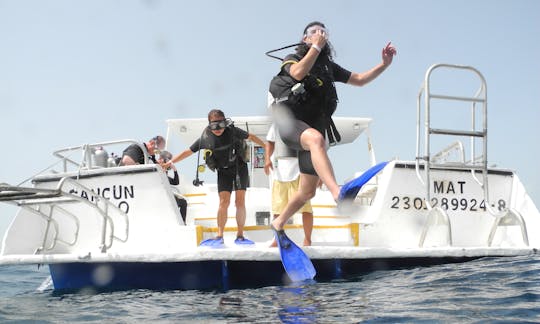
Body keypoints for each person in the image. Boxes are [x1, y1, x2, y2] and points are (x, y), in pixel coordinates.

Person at [269, 21, 396, 233]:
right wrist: (315, 48)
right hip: (292, 125)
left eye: (323, 32)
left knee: (307, 192)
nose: (319, 34)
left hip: (311, 130)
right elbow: (298, 73)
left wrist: (384, 64)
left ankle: (278, 222)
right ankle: (338, 194)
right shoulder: (293, 58)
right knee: (316, 139)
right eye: (313, 32)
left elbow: (359, 79)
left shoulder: (327, 67)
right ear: (304, 39)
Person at [164, 109, 266, 244]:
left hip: (238, 168)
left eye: (220, 125)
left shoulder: (232, 131)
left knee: (239, 202)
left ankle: (240, 235)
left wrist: (267, 147)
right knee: (224, 202)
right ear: (209, 125)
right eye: (213, 125)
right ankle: (219, 235)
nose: (217, 129)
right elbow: (188, 151)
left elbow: (251, 137)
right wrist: (171, 162)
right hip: (223, 172)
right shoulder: (205, 137)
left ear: (225, 122)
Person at [264, 124, 313, 246]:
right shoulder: (276, 125)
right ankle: (277, 239)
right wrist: (267, 159)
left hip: (300, 171)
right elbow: (270, 142)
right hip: (279, 172)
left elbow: (313, 148)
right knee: (277, 210)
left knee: (306, 209)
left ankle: (307, 239)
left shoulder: (304, 124)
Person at [158, 150, 188, 223]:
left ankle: (182, 222)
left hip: (166, 195)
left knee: (183, 202)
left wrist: (174, 170)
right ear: (161, 159)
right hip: (159, 196)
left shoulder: (164, 171)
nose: (168, 162)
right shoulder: (156, 167)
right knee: (182, 202)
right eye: (167, 160)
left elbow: (176, 182)